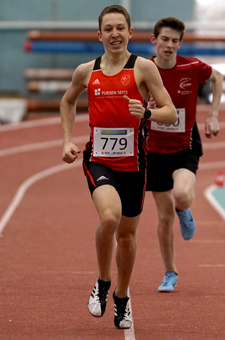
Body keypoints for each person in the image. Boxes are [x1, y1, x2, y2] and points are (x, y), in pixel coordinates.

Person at [60, 5, 177, 329]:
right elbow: (68, 101)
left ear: (130, 32)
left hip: (135, 166)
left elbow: (170, 112)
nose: (114, 34)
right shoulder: (87, 71)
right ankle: (102, 281)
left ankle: (122, 298)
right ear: (99, 35)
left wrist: (148, 114)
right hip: (99, 160)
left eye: (119, 28)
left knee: (126, 237)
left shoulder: (143, 69)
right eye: (108, 29)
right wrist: (67, 140)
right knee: (109, 217)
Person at [144, 17, 223, 292]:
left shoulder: (191, 66)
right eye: (164, 39)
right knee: (163, 218)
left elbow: (218, 77)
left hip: (184, 144)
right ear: (154, 40)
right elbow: (129, 102)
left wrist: (213, 115)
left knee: (181, 195)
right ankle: (170, 272)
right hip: (153, 148)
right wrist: (146, 103)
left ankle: (184, 209)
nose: (169, 45)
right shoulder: (143, 69)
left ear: (180, 43)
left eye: (174, 41)